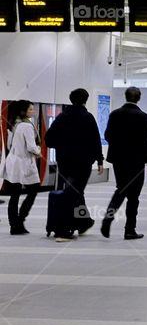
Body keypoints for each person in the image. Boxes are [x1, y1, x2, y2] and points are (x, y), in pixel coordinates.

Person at [43, 88, 104, 240]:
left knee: (74, 191)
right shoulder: (87, 117)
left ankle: (84, 222)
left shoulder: (62, 117)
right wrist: (100, 160)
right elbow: (95, 140)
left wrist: (62, 146)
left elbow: (49, 139)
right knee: (73, 193)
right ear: (85, 100)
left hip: (64, 161)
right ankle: (62, 230)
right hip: (83, 162)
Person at [102, 86, 147, 240]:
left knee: (121, 189)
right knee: (134, 196)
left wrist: (119, 145)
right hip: (137, 161)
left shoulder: (114, 114)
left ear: (125, 97)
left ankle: (108, 218)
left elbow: (107, 135)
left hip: (118, 159)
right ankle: (129, 229)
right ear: (138, 98)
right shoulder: (143, 116)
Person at [3, 100, 41, 235]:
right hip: (23, 163)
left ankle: (15, 225)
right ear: (23, 111)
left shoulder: (15, 123)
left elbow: (9, 145)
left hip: (13, 162)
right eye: (30, 109)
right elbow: (31, 146)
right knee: (34, 189)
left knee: (15, 195)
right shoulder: (26, 126)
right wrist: (38, 151)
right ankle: (19, 221)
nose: (33, 111)